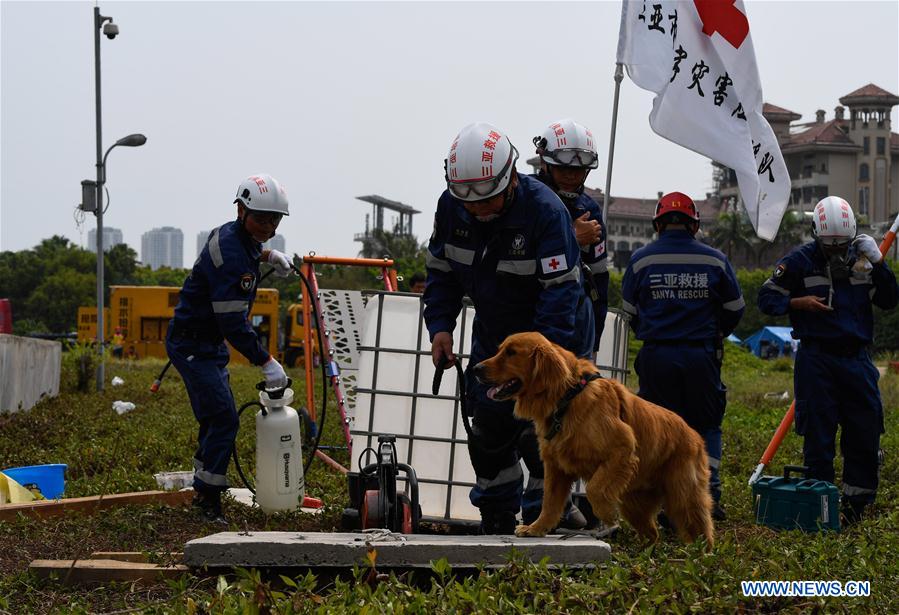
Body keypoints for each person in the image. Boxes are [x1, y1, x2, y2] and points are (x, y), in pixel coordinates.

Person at [424, 122, 594, 534]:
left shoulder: (545, 213)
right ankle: (497, 514)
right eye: (469, 204)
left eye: (487, 201)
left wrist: (537, 368)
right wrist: (441, 328)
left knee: (547, 429)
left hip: (556, 336)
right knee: (488, 426)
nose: (478, 211)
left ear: (512, 178)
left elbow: (560, 296)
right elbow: (441, 272)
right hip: (496, 334)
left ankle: (547, 510)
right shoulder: (452, 207)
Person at [758, 196, 897, 524]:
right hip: (816, 360)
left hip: (857, 359)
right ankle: (819, 505)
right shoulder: (799, 261)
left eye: (842, 246)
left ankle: (856, 508)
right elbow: (766, 298)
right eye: (829, 246)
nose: (836, 252)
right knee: (818, 434)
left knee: (863, 431)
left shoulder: (864, 261)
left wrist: (879, 263)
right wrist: (797, 302)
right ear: (816, 235)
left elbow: (890, 300)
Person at [166, 173, 294, 523]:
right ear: (242, 210)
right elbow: (233, 324)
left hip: (205, 342)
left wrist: (267, 256)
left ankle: (200, 482)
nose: (268, 226)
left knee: (214, 415)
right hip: (192, 343)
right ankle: (207, 502)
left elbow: (250, 250)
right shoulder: (232, 256)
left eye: (274, 220)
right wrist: (267, 361)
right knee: (223, 418)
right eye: (261, 218)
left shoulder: (237, 235)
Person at [621, 192, 744, 520]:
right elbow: (735, 308)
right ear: (694, 225)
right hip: (700, 356)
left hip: (657, 355)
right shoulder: (715, 260)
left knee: (657, 430)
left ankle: (660, 504)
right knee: (706, 425)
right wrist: (715, 330)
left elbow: (628, 312)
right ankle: (709, 496)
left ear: (658, 224)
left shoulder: (641, 260)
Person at [532, 119, 609, 352]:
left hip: (575, 319)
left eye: (577, 170)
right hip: (527, 308)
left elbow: (599, 281)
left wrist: (595, 337)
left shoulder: (590, 211)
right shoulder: (527, 201)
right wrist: (571, 238)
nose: (571, 176)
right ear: (545, 163)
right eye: (563, 168)